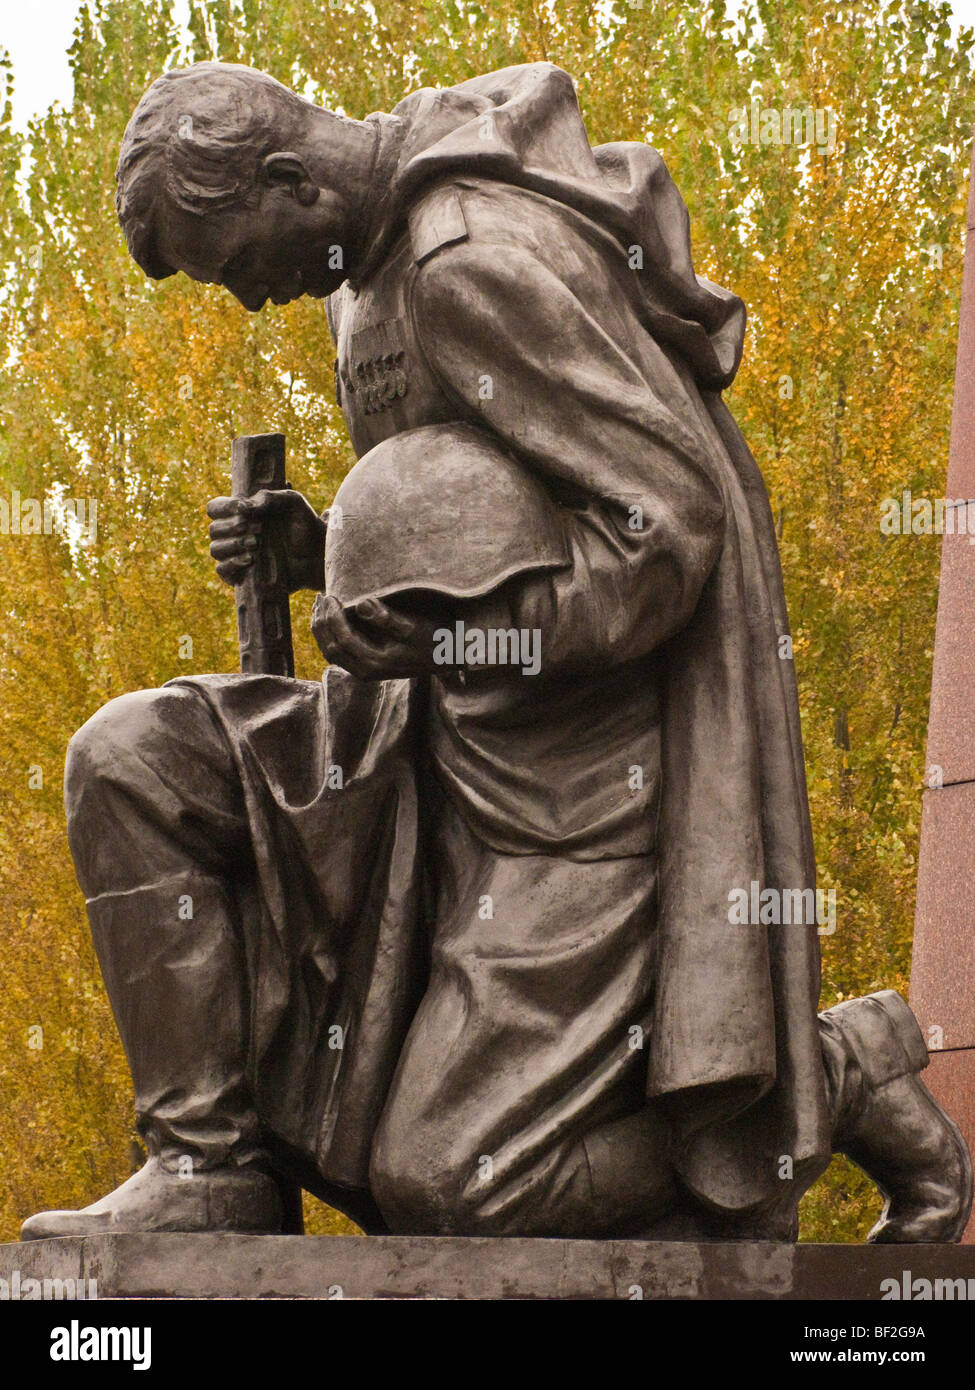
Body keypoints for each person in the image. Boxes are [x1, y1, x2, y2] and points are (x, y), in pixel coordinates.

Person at [22, 61, 971, 1242]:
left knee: (457, 1188)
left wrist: (464, 637)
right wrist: (327, 553)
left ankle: (826, 1072)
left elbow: (666, 527)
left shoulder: (466, 261)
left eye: (242, 268)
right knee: (133, 759)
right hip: (425, 721)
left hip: (579, 784)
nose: (251, 302)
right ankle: (211, 1160)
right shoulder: (357, 273)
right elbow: (489, 506)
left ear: (285, 177)